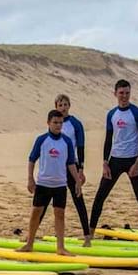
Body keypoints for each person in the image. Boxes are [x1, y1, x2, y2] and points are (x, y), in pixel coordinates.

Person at [89, 79, 138, 245]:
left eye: (127, 93)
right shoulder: (111, 114)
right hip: (115, 160)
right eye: (121, 93)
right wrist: (105, 162)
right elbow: (108, 140)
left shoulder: (137, 113)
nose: (124, 96)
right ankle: (89, 235)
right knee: (100, 197)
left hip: (132, 161)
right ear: (115, 94)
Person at [16, 110, 81, 256]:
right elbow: (32, 159)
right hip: (43, 184)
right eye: (55, 123)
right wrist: (30, 178)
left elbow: (71, 163)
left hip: (60, 185)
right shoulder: (42, 139)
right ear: (48, 123)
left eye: (60, 123)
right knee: (35, 213)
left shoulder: (67, 141)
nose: (58, 126)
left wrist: (77, 181)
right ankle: (29, 244)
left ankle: (60, 247)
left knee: (60, 215)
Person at [39, 94, 90, 246]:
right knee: (44, 202)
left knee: (78, 201)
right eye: (60, 105)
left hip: (71, 166)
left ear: (69, 106)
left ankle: (87, 237)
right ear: (56, 106)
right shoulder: (54, 122)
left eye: (65, 104)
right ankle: (32, 234)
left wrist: (81, 169)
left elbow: (80, 146)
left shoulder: (75, 124)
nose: (63, 107)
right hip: (55, 168)